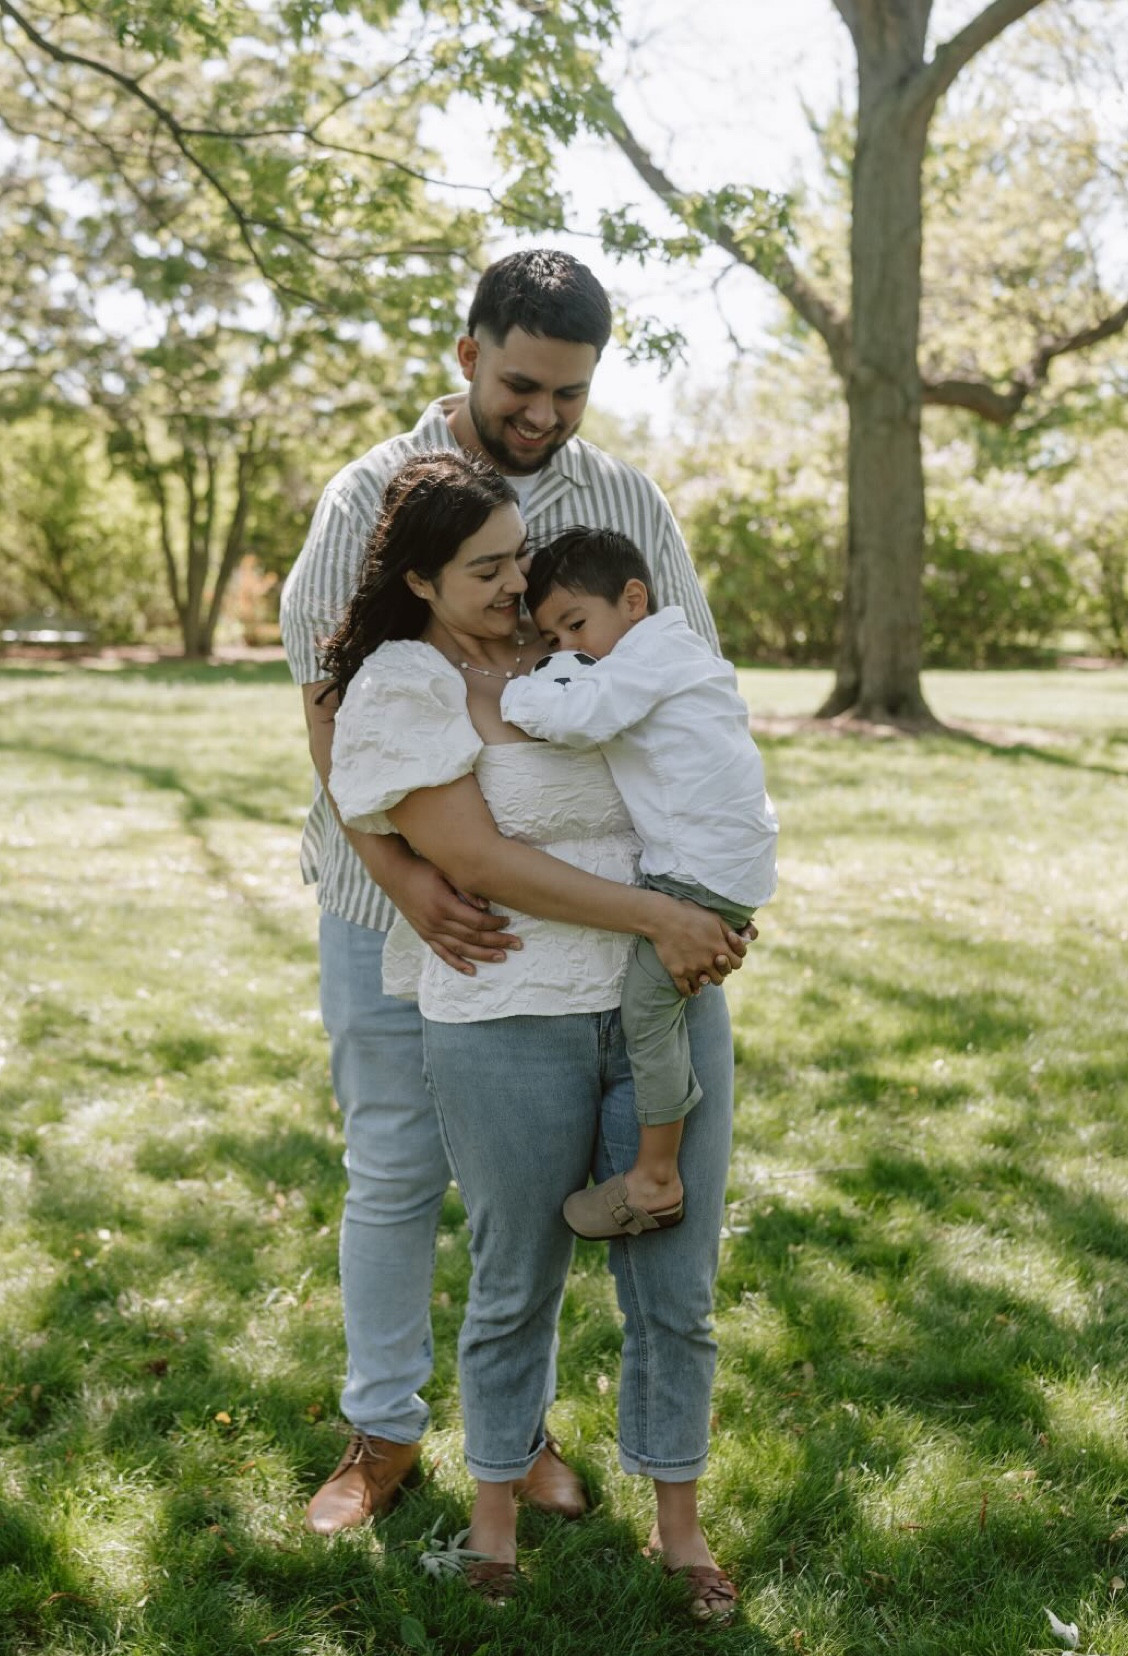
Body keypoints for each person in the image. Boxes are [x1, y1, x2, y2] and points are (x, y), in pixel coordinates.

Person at [279, 249, 735, 1536]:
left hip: (586, 920)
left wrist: (703, 878)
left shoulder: (625, 497)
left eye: (571, 393)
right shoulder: (372, 494)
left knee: (517, 1205)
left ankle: (517, 1437)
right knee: (395, 1170)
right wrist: (412, 880)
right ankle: (381, 1432)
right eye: (523, 384)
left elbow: (687, 672)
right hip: (396, 904)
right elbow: (332, 711)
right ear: (468, 351)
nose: (543, 415)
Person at [499, 527, 778, 1240]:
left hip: (695, 870)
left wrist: (516, 697)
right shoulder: (680, 651)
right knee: (669, 1002)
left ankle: (654, 1176)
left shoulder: (645, 661)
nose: (567, 650)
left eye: (575, 626)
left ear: (633, 599)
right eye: (551, 638)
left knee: (648, 1015)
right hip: (727, 860)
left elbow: (581, 718)